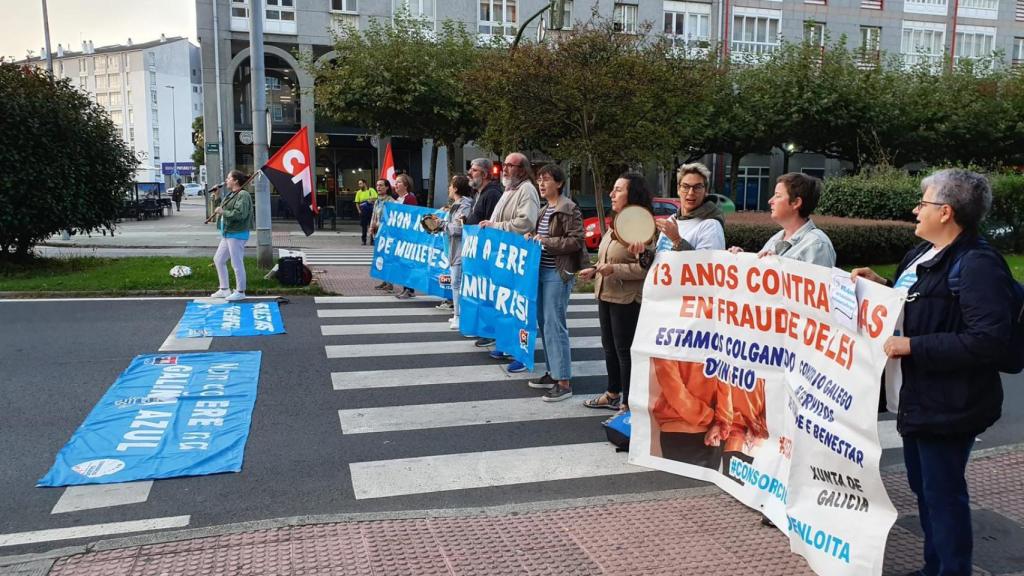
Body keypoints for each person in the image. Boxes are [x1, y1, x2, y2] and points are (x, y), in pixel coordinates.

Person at [851, 169, 1015, 576]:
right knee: (925, 491)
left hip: (951, 402)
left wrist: (913, 346)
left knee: (942, 496)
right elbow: (922, 303)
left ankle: (951, 570)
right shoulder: (921, 255)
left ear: (945, 212)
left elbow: (988, 340)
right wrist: (882, 284)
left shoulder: (977, 265)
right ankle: (933, 568)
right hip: (918, 397)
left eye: (921, 203)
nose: (914, 210)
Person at [580, 173, 655, 413]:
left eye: (618, 190)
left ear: (632, 195)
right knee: (609, 347)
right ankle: (612, 392)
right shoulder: (617, 223)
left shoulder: (643, 226)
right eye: (613, 189)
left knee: (624, 351)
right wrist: (595, 270)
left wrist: (614, 270)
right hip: (606, 293)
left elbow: (645, 268)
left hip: (627, 299)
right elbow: (608, 257)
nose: (612, 194)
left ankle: (627, 403)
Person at [524, 164, 586, 401]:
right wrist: (532, 238)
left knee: (554, 324)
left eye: (546, 180)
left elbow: (576, 241)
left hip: (557, 273)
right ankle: (553, 372)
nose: (541, 184)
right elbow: (542, 238)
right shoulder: (544, 209)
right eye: (539, 180)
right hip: (540, 272)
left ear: (559, 183)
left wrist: (547, 241)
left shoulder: (569, 208)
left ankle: (563, 381)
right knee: (543, 322)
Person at [476, 152, 541, 369]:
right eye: (504, 165)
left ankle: (521, 355)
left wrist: (496, 227)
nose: (505, 169)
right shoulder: (509, 190)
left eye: (510, 166)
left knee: (517, 307)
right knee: (503, 303)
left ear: (522, 169)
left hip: (517, 259)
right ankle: (505, 344)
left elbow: (526, 222)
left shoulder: (527, 190)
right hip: (503, 257)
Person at [730, 172, 835, 267]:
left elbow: (818, 286)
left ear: (796, 203)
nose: (770, 201)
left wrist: (776, 267)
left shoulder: (817, 245)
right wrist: (742, 258)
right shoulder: (776, 238)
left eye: (778, 196)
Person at [655, 163, 725, 252]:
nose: (691, 192)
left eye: (697, 187)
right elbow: (659, 258)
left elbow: (706, 264)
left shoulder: (711, 226)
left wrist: (677, 240)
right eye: (685, 186)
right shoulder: (671, 220)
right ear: (678, 189)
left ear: (706, 191)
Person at [210, 169, 253, 302]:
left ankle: (240, 291)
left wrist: (223, 212)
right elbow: (222, 207)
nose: (226, 180)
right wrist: (217, 197)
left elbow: (240, 214)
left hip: (237, 233)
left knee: (236, 262)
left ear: (235, 180)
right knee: (218, 259)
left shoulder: (243, 195)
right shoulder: (232, 194)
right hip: (228, 233)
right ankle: (224, 289)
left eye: (229, 178)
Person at [441, 175, 475, 329]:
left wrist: (441, 224)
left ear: (455, 188)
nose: (448, 188)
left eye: (450, 185)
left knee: (457, 283)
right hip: (454, 249)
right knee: (456, 283)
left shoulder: (464, 205)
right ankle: (456, 314)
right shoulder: (457, 204)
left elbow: (459, 228)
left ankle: (459, 316)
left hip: (461, 249)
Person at [393, 173, 419, 299]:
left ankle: (409, 289)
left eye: (399, 182)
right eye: (396, 182)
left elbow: (411, 217)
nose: (396, 184)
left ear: (406, 185)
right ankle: (405, 288)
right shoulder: (397, 200)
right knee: (402, 263)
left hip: (408, 237)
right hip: (400, 237)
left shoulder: (410, 199)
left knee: (407, 263)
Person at [370, 179, 395, 292]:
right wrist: (371, 227)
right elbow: (374, 216)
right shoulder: (377, 201)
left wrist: (378, 225)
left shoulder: (390, 202)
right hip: (378, 233)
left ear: (387, 187)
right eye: (377, 185)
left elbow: (389, 219)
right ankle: (384, 281)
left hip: (387, 234)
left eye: (381, 185)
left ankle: (390, 283)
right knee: (381, 258)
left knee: (388, 258)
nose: (378, 187)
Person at [354, 179, 376, 246]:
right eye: (359, 184)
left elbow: (376, 199)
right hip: (363, 211)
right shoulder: (358, 192)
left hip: (371, 210)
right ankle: (364, 240)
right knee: (364, 227)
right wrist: (359, 211)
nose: (359, 185)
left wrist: (371, 200)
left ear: (365, 183)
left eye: (360, 183)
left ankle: (372, 241)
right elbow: (357, 203)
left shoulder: (371, 190)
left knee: (371, 226)